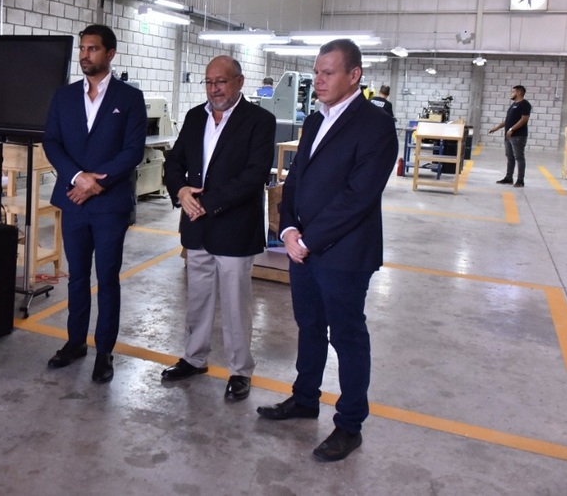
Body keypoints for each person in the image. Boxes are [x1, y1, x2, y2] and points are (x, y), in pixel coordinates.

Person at [257, 39, 397, 462]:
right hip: (303, 247)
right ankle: (305, 398)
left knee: (348, 336)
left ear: (354, 76)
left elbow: (358, 196)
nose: (318, 80)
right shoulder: (317, 119)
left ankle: (350, 424)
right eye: (316, 72)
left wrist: (308, 239)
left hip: (345, 254)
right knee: (310, 326)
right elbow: (295, 178)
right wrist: (288, 228)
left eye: (328, 72)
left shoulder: (375, 125)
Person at [161, 56, 276, 402]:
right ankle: (194, 358)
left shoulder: (259, 121)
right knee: (197, 297)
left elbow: (255, 175)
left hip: (234, 227)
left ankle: (240, 370)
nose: (214, 89)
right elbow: (175, 161)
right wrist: (181, 191)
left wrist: (207, 203)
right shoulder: (196, 117)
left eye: (221, 82)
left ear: (239, 82)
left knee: (236, 304)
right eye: (209, 82)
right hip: (197, 226)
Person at [42, 24, 147, 383]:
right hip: (74, 200)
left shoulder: (129, 98)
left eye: (93, 49)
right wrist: (77, 178)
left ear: (110, 54)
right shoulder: (64, 97)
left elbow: (133, 151)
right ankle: (75, 343)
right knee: (76, 277)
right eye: (83, 48)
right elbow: (52, 142)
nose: (85, 54)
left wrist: (95, 183)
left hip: (109, 203)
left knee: (107, 278)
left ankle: (104, 351)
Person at [488, 85, 531, 188]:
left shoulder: (525, 104)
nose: (511, 94)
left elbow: (524, 119)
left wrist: (512, 129)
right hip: (508, 136)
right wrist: (496, 128)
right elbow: (507, 120)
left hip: (518, 136)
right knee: (510, 157)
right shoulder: (514, 105)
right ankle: (509, 178)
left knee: (519, 157)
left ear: (519, 93)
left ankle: (520, 180)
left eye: (513, 92)